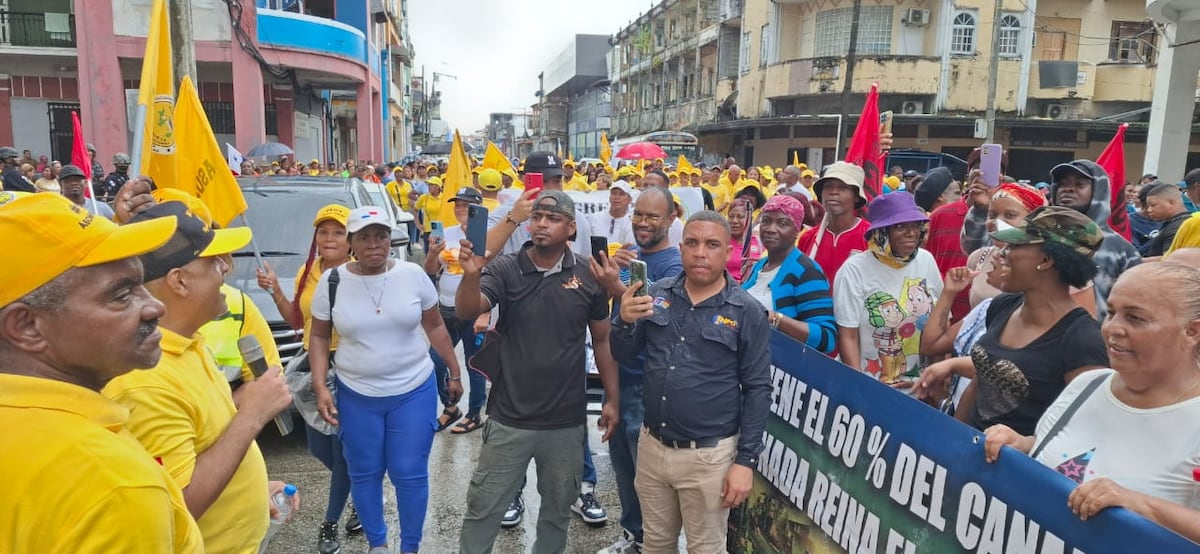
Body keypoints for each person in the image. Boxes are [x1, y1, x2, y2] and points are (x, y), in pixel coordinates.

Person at [0, 192, 203, 552]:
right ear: (27, 327)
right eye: (122, 295)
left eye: (140, 284)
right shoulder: (113, 485)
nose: (155, 306)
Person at [102, 199, 295, 554]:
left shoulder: (189, 342)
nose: (226, 269)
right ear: (179, 281)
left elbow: (204, 443)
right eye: (213, 262)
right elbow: (178, 507)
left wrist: (250, 488)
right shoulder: (145, 380)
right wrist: (251, 416)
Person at [983, 263, 1200, 543]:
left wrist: (1140, 505)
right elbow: (1060, 453)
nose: (1112, 328)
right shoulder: (1089, 383)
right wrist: (1020, 446)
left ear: (1192, 331)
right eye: (1110, 313)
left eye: (1135, 318)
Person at [456, 190, 619, 554]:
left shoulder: (588, 275)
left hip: (564, 424)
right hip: (509, 420)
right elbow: (469, 310)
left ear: (571, 228)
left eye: (553, 217)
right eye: (538, 216)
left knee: (556, 515)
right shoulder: (506, 267)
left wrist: (613, 398)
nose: (542, 223)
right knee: (483, 511)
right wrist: (470, 276)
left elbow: (603, 341)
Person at [611, 210, 772, 553]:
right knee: (655, 544)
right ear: (681, 248)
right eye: (693, 243)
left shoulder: (746, 311)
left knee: (705, 548)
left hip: (708, 458)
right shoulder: (656, 293)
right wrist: (623, 321)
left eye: (712, 244)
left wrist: (745, 462)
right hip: (652, 448)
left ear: (728, 252)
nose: (701, 252)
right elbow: (623, 353)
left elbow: (758, 389)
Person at [307, 206, 461, 554]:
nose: (374, 244)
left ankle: (410, 547)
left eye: (381, 236)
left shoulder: (412, 275)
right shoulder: (332, 282)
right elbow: (318, 336)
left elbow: (435, 325)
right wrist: (320, 385)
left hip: (412, 391)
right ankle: (378, 545)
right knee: (364, 471)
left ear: (391, 239)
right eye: (364, 237)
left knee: (409, 472)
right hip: (356, 393)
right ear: (352, 243)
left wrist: (454, 369)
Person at [916, 207, 1109, 436]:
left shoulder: (1083, 340)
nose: (1002, 254)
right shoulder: (1003, 306)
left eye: (1015, 246)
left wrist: (1024, 444)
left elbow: (1083, 431)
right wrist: (953, 440)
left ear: (1046, 260)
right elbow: (982, 382)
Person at [255, 204, 360, 554]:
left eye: (338, 232)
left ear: (351, 241)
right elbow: (298, 321)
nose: (329, 238)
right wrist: (275, 291)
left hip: (348, 366)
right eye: (323, 231)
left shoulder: (359, 274)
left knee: (342, 450)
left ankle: (330, 522)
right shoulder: (308, 270)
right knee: (319, 447)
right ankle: (362, 486)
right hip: (312, 365)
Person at [589, 185, 684, 554]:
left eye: (653, 216)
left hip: (648, 388)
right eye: (639, 215)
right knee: (625, 472)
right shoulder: (633, 259)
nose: (643, 223)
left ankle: (654, 543)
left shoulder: (675, 266)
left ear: (671, 220)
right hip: (621, 380)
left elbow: (657, 320)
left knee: (648, 480)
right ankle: (633, 537)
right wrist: (614, 279)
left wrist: (615, 286)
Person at [834, 192, 943, 389]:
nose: (911, 233)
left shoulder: (926, 260)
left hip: (917, 389)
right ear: (882, 232)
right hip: (870, 387)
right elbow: (847, 336)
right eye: (900, 226)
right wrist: (860, 389)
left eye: (915, 225)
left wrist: (932, 384)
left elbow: (940, 322)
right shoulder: (854, 270)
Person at [423, 187, 492, 434]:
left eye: (465, 205)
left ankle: (475, 414)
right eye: (457, 204)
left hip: (474, 310)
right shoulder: (447, 234)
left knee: (474, 364)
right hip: (446, 309)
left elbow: (493, 275)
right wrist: (432, 252)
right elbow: (430, 271)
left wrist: (486, 313)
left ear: (477, 208)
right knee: (435, 362)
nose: (460, 209)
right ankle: (451, 407)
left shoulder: (488, 235)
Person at [743, 195, 838, 356]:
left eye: (782, 223)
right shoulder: (760, 265)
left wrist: (775, 319)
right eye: (766, 221)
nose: (771, 229)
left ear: (797, 230)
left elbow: (826, 338)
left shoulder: (806, 271)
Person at [799, 161, 871, 287]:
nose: (833, 192)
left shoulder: (871, 237)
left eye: (842, 187)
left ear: (856, 196)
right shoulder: (807, 238)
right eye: (828, 186)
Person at [1141, 181, 1191, 258]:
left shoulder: (1177, 227)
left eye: (1153, 205)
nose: (1149, 210)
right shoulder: (1180, 222)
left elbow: (1171, 260)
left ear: (1171, 203)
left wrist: (1135, 261)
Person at [590, 180, 637, 247]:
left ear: (629, 199)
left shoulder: (632, 222)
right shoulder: (595, 218)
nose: (617, 197)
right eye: (614, 193)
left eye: (622, 194)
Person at [727, 198, 764, 282]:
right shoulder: (721, 243)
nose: (734, 221)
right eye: (731, 217)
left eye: (740, 217)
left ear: (750, 218)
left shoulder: (759, 243)